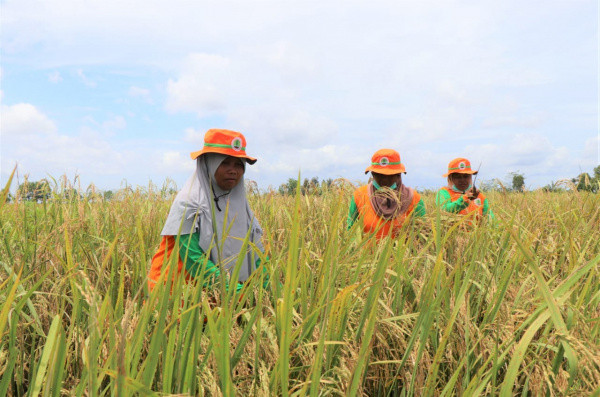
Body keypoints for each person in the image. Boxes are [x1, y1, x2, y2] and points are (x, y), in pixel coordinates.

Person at [148, 129, 265, 293]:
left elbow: (256, 254)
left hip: (220, 295)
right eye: (225, 163)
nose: (233, 170)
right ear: (209, 164)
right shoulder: (189, 203)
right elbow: (194, 259)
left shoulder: (240, 206)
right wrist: (237, 292)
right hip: (179, 295)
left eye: (239, 164)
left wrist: (274, 288)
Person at [347, 148, 426, 239]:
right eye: (379, 174)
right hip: (367, 253)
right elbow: (351, 230)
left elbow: (422, 233)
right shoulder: (359, 195)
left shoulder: (413, 198)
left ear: (398, 175)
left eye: (389, 175)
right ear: (372, 174)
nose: (384, 179)